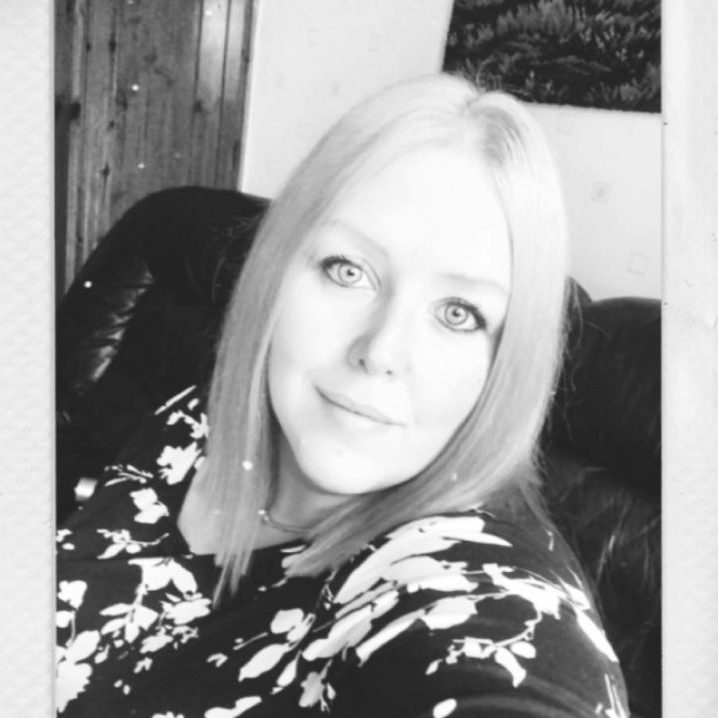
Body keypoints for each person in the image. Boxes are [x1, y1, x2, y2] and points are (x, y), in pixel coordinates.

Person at [56, 73, 629, 717]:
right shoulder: (200, 418)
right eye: (348, 270)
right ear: (275, 267)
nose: (380, 351)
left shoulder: (481, 596)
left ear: (507, 363)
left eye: (459, 313)